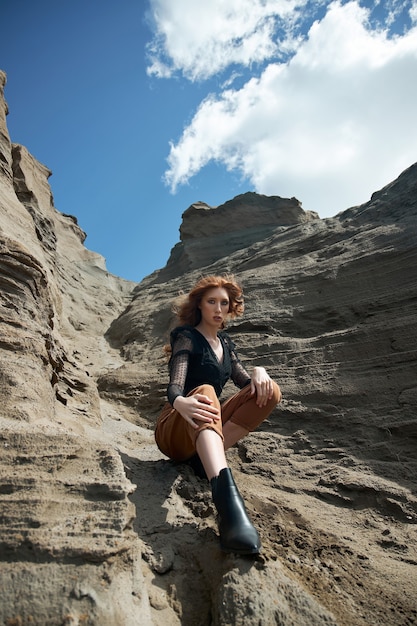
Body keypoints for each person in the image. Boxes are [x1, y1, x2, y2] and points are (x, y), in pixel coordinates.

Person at [155, 275, 281, 555]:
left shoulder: (225, 344)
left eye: (224, 303)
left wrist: (260, 372)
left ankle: (204, 461)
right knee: (205, 391)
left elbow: (248, 386)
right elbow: (175, 384)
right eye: (211, 301)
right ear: (199, 305)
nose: (218, 308)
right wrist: (180, 402)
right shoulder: (186, 337)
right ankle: (228, 508)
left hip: (203, 423)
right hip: (175, 425)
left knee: (269, 392)